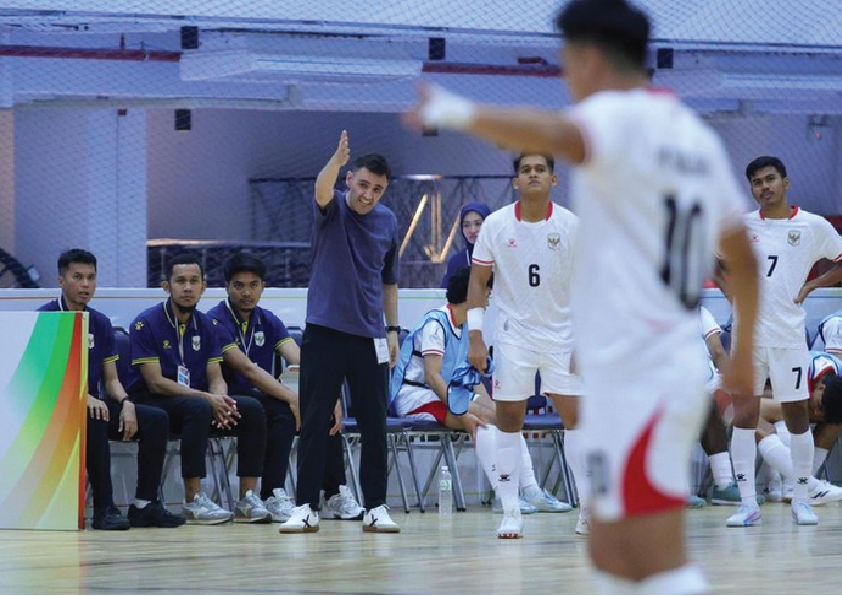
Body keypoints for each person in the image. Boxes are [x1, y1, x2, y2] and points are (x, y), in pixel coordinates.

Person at [406, 0, 759, 590]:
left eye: (566, 58)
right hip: (653, 363)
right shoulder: (693, 138)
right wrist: (743, 359)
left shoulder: (617, 119)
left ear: (590, 57)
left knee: (650, 554)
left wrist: (456, 109)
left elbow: (552, 131)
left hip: (638, 369)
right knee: (614, 550)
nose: (565, 73)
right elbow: (742, 260)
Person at [440, 152, 585, 539]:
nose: (533, 174)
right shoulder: (496, 224)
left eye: (541, 169)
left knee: (577, 420)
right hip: (512, 335)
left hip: (564, 335)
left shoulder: (571, 225)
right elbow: (477, 282)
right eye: (526, 170)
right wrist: (475, 335)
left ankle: (588, 511)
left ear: (554, 179)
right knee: (508, 420)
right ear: (516, 181)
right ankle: (510, 511)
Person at [279, 131, 401, 534]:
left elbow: (389, 282)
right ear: (350, 179)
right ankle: (305, 507)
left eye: (377, 189)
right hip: (325, 331)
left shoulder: (388, 221)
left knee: (374, 424)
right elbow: (320, 188)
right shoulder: (331, 211)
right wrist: (334, 159)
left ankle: (376, 506)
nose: (368, 195)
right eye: (363, 185)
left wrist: (393, 330)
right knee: (314, 421)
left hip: (370, 337)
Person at [392, 267, 570, 515]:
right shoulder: (435, 324)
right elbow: (433, 378)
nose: (488, 300)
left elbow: (472, 379)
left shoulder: (466, 329)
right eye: (486, 293)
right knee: (478, 420)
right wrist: (465, 410)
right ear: (471, 295)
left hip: (444, 393)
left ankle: (531, 491)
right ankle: (504, 495)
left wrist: (494, 409)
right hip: (414, 396)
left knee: (504, 417)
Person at [726, 156, 842, 528]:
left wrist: (812, 284)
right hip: (747, 339)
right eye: (757, 182)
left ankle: (802, 499)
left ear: (786, 183)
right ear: (752, 189)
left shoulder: (813, 226)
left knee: (797, 418)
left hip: (789, 337)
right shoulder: (740, 226)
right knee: (743, 418)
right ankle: (747, 505)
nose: (764, 187)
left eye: (770, 179)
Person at [208, 253, 364, 522]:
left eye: (253, 285)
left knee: (321, 408)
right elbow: (246, 369)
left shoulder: (268, 320)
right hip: (232, 396)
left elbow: (301, 358)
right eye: (239, 285)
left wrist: (328, 392)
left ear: (263, 286)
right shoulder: (215, 320)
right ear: (226, 287)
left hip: (266, 395)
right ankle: (272, 494)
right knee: (282, 413)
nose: (246, 292)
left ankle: (334, 493)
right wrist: (293, 399)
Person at [38, 249, 184, 530]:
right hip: (55, 410)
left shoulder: (101, 323)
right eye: (77, 277)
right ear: (61, 280)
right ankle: (104, 508)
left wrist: (126, 402)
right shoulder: (45, 319)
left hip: (93, 405)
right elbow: (43, 379)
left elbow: (112, 380)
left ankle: (144, 505)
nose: (85, 285)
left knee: (155, 418)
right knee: (95, 416)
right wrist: (84, 396)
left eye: (91, 278)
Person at [126, 255, 270, 525]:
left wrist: (221, 399)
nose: (188, 288)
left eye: (194, 281)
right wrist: (207, 398)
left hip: (195, 401)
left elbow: (215, 376)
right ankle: (193, 500)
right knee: (199, 406)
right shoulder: (145, 323)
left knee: (251, 408)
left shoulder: (208, 325)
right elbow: (155, 381)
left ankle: (247, 498)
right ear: (166, 286)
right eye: (180, 281)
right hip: (153, 401)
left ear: (203, 286)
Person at [757, 349, 842, 505]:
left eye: (819, 411)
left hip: (793, 390)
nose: (815, 412)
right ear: (821, 387)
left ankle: (805, 482)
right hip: (763, 391)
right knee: (791, 410)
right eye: (817, 406)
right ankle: (796, 484)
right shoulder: (800, 368)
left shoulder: (838, 377)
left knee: (835, 420)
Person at [441, 203, 492, 288]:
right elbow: (443, 295)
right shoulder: (456, 262)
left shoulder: (499, 259)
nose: (472, 230)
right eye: (466, 225)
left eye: (478, 224)